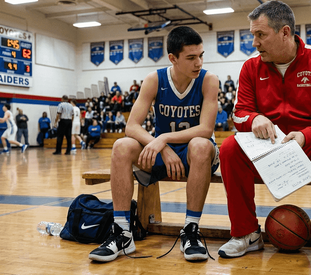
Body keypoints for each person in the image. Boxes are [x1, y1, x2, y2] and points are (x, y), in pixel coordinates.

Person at [217, 1, 311, 270]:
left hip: (309, 147)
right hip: (268, 150)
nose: (254, 43)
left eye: (260, 35)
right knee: (229, 148)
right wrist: (255, 118)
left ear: (284, 32)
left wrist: (306, 135)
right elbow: (239, 113)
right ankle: (246, 233)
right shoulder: (250, 67)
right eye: (252, 35)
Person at [89, 26, 220, 263]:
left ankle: (190, 230)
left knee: (200, 144)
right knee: (121, 145)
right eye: (191, 58)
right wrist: (163, 147)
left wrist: (164, 139)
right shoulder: (154, 79)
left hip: (196, 154)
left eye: (201, 55)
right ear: (173, 58)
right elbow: (132, 126)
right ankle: (122, 233)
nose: (198, 62)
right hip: (164, 153)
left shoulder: (208, 80)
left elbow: (206, 129)